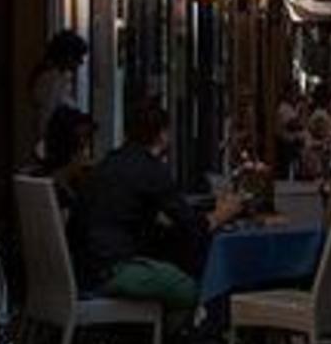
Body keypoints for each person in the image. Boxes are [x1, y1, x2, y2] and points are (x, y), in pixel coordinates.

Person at [72, 98, 232, 317]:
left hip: (84, 269)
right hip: (114, 270)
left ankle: (159, 339)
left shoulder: (108, 164)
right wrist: (223, 213)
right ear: (163, 134)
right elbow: (192, 225)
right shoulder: (151, 170)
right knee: (192, 290)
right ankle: (178, 342)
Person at [28, 29, 90, 163]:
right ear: (67, 56)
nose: (80, 63)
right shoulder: (52, 80)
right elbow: (46, 116)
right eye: (77, 58)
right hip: (56, 147)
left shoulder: (57, 78)